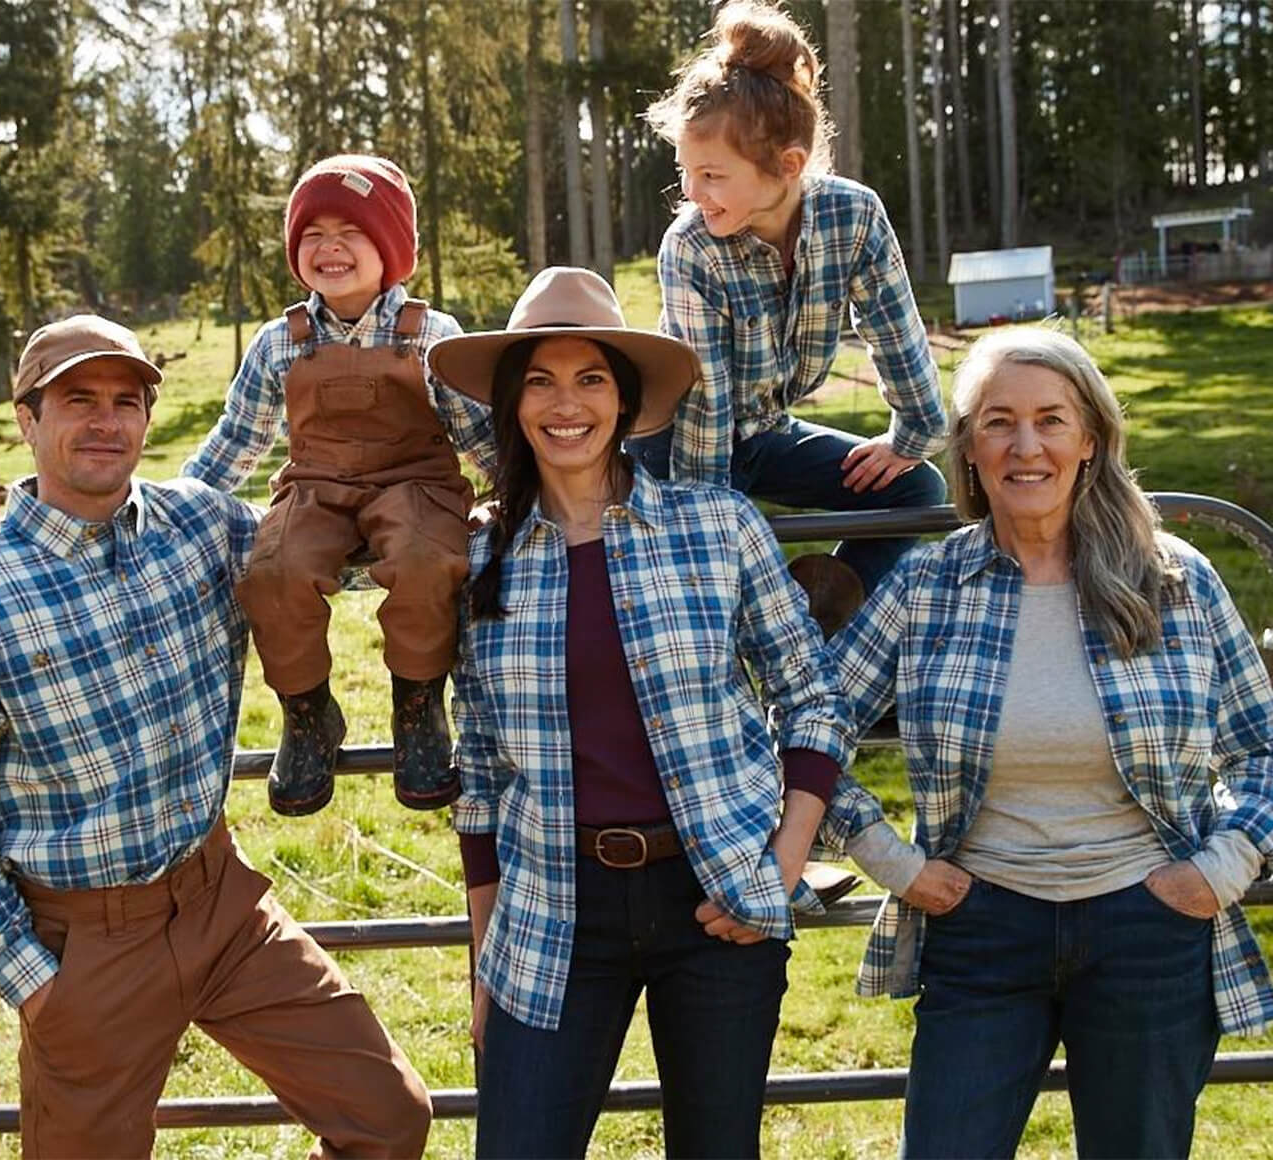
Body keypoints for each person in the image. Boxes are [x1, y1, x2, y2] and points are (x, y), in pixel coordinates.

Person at [0, 315, 434, 1159]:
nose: (107, 421)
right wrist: (40, 989)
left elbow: (332, 556)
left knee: (388, 1117)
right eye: (79, 400)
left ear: (149, 419)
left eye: (126, 401)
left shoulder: (203, 527)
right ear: (27, 420)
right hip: (85, 945)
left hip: (220, 899)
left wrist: (470, 524)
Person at [820, 327, 1273, 1158]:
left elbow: (1262, 748)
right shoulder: (926, 585)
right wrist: (893, 863)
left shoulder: (1174, 579)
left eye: (1051, 420)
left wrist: (1221, 869)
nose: (1025, 446)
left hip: (1149, 923)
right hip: (980, 923)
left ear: (1090, 439)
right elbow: (806, 728)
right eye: (997, 421)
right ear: (967, 446)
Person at [430, 267, 852, 1159]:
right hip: (552, 908)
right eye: (539, 380)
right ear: (511, 404)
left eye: (590, 379)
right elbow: (482, 770)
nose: (565, 404)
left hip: (713, 896)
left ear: (625, 402)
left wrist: (777, 871)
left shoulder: (716, 526)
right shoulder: (478, 559)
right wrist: (482, 959)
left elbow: (813, 697)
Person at [183, 153, 496, 815]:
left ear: (390, 246)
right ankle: (308, 714)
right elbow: (236, 443)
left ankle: (417, 711)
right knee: (273, 570)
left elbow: (480, 435)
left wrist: (532, 494)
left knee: (426, 560)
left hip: (415, 487)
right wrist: (173, 509)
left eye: (351, 231)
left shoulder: (430, 336)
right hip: (315, 488)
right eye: (312, 234)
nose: (329, 247)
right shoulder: (280, 341)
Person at [637, 0, 949, 599]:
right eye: (685, 170)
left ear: (788, 165)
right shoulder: (691, 247)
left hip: (765, 433)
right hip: (678, 448)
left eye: (712, 175)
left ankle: (821, 608)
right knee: (711, 548)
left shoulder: (854, 216)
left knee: (918, 491)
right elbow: (703, 411)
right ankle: (753, 620)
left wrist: (911, 434)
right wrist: (710, 532)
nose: (690, 192)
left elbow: (897, 335)